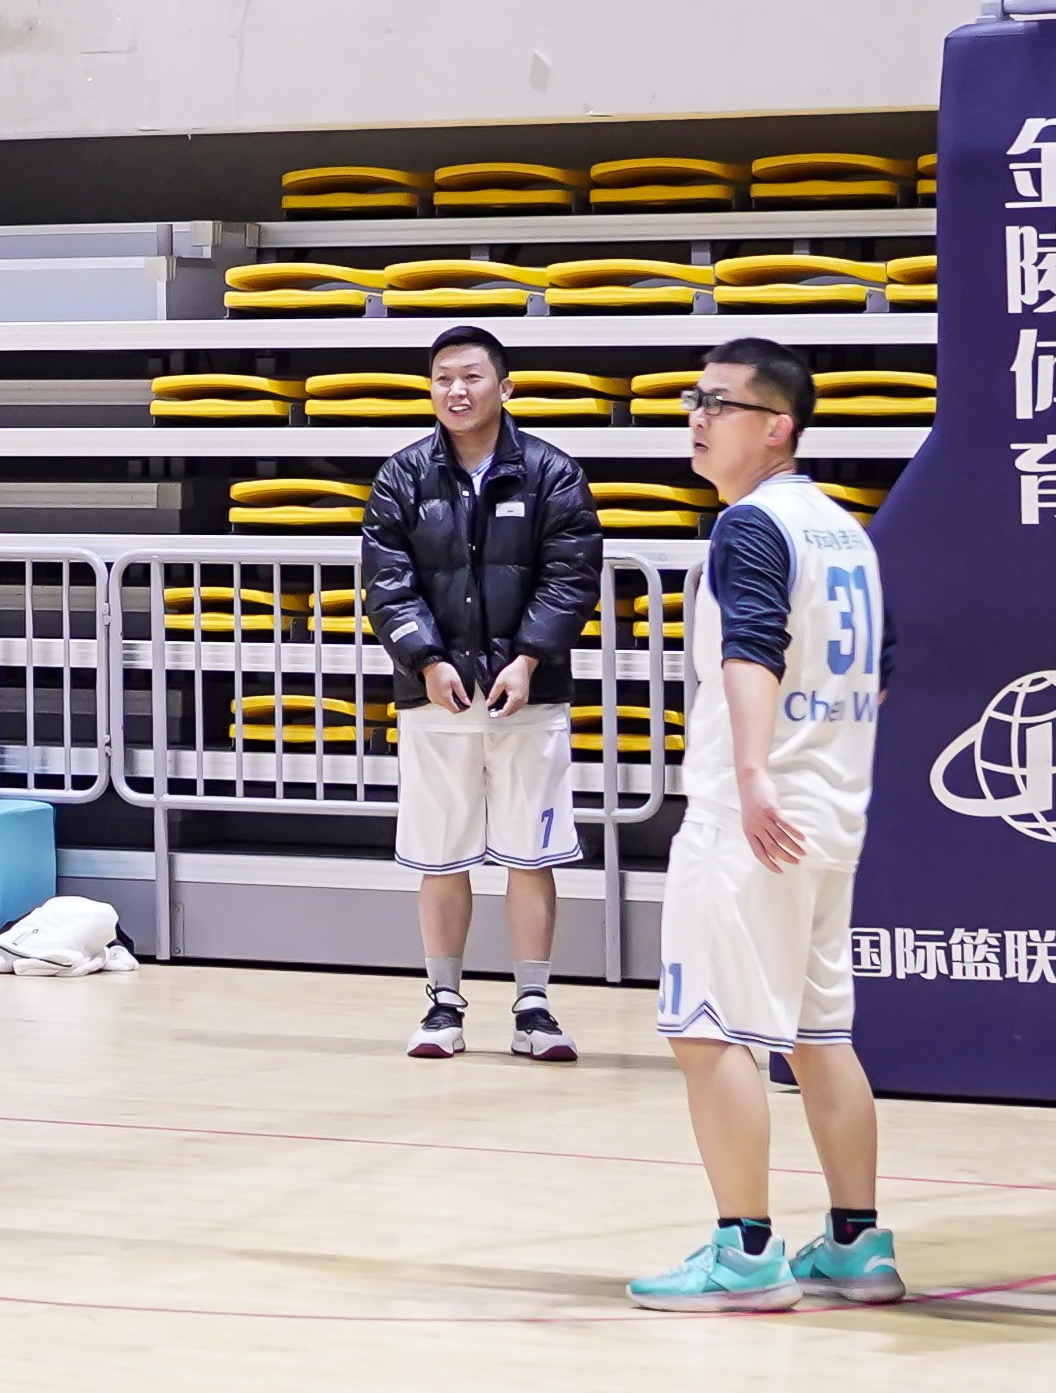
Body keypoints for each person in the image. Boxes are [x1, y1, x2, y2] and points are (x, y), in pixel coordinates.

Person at [632, 338, 900, 1311]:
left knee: (707, 1032)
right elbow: (880, 671)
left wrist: (751, 774)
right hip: (832, 813)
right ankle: (858, 1245)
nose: (697, 418)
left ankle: (745, 1253)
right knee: (821, 1032)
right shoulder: (846, 531)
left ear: (777, 426)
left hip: (754, 818)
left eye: (720, 403)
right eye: (694, 400)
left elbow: (752, 650)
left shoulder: (752, 525)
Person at [356, 321, 600, 1063]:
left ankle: (534, 1007)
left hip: (531, 697)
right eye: (443, 379)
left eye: (471, 376)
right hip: (435, 699)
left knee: (532, 854)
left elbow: (571, 577)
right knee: (440, 855)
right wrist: (427, 661)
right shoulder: (401, 477)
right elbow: (387, 582)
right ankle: (443, 1003)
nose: (455, 391)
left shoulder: (554, 473)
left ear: (505, 386)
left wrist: (527, 660)